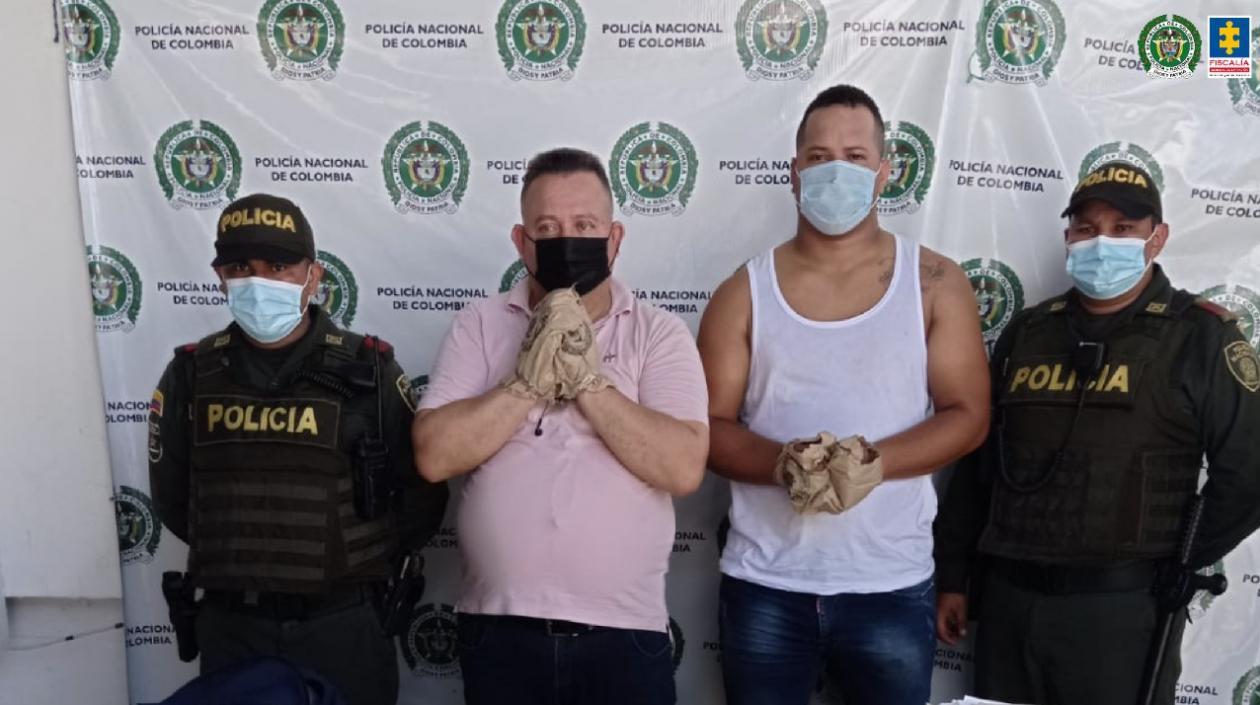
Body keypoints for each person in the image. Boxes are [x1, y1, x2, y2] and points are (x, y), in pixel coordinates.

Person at [697, 84, 991, 705]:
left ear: (884, 172)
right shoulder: (742, 292)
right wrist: (785, 464)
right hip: (765, 584)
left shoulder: (935, 283)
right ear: (794, 172)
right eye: (819, 156)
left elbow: (967, 415)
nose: (837, 170)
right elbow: (708, 428)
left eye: (855, 157)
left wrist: (873, 463)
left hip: (890, 584)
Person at [934, 161, 1260, 705]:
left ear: (1157, 238)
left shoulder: (1200, 336)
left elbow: (1249, 472)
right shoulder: (1029, 332)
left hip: (1122, 611)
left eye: (1123, 228)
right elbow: (979, 465)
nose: (1101, 241)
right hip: (1009, 601)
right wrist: (953, 574)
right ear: (1068, 238)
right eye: (1086, 228)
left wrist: (1176, 561)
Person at [413, 147, 709, 705]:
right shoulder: (479, 325)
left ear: (614, 238)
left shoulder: (657, 332)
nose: (566, 240)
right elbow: (434, 455)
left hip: (624, 634)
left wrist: (588, 383)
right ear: (521, 242)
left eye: (584, 226)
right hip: (499, 631)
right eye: (547, 228)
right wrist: (525, 382)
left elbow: (682, 467)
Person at [148, 193, 448, 705]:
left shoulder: (369, 371)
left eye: (279, 266)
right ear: (220, 276)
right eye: (241, 268)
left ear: (314, 276)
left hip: (344, 625)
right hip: (233, 627)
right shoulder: (191, 374)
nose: (259, 281)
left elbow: (422, 497)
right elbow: (173, 501)